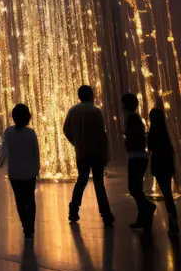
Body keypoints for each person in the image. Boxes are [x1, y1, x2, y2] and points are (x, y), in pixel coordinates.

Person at [63, 85, 114, 226]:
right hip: (97, 152)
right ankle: (106, 214)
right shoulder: (96, 111)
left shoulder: (73, 111)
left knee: (82, 180)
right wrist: (105, 152)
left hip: (82, 152)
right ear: (91, 95)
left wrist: (75, 142)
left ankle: (73, 210)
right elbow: (102, 134)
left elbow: (65, 129)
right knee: (99, 183)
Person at [0, 103, 40, 239]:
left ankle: (25, 225)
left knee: (20, 200)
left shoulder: (8, 132)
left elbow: (4, 150)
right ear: (28, 117)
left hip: (15, 173)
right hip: (29, 172)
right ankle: (30, 227)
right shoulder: (31, 133)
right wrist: (37, 169)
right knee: (30, 199)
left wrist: (0, 162)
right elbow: (36, 152)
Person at [121, 92, 156, 232]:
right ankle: (143, 217)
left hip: (137, 156)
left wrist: (127, 141)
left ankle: (147, 208)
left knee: (134, 187)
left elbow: (135, 137)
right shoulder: (134, 118)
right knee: (136, 188)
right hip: (138, 156)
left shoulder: (132, 119)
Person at [147, 108, 179, 236]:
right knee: (168, 194)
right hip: (167, 166)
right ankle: (173, 222)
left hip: (159, 167)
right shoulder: (166, 133)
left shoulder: (154, 131)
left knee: (167, 195)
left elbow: (151, 147)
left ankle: (173, 224)